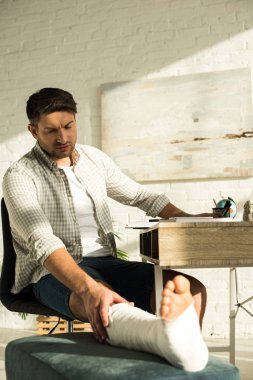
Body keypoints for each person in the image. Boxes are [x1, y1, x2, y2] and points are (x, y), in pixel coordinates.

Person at [2, 88, 213, 371]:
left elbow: (141, 196)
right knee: (106, 302)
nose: (63, 137)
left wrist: (185, 217)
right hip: (54, 271)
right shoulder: (20, 175)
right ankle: (168, 344)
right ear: (33, 131)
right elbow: (42, 241)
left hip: (108, 262)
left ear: (76, 119)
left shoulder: (94, 160)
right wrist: (88, 288)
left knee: (195, 290)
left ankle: (178, 361)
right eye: (51, 130)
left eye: (68, 126)